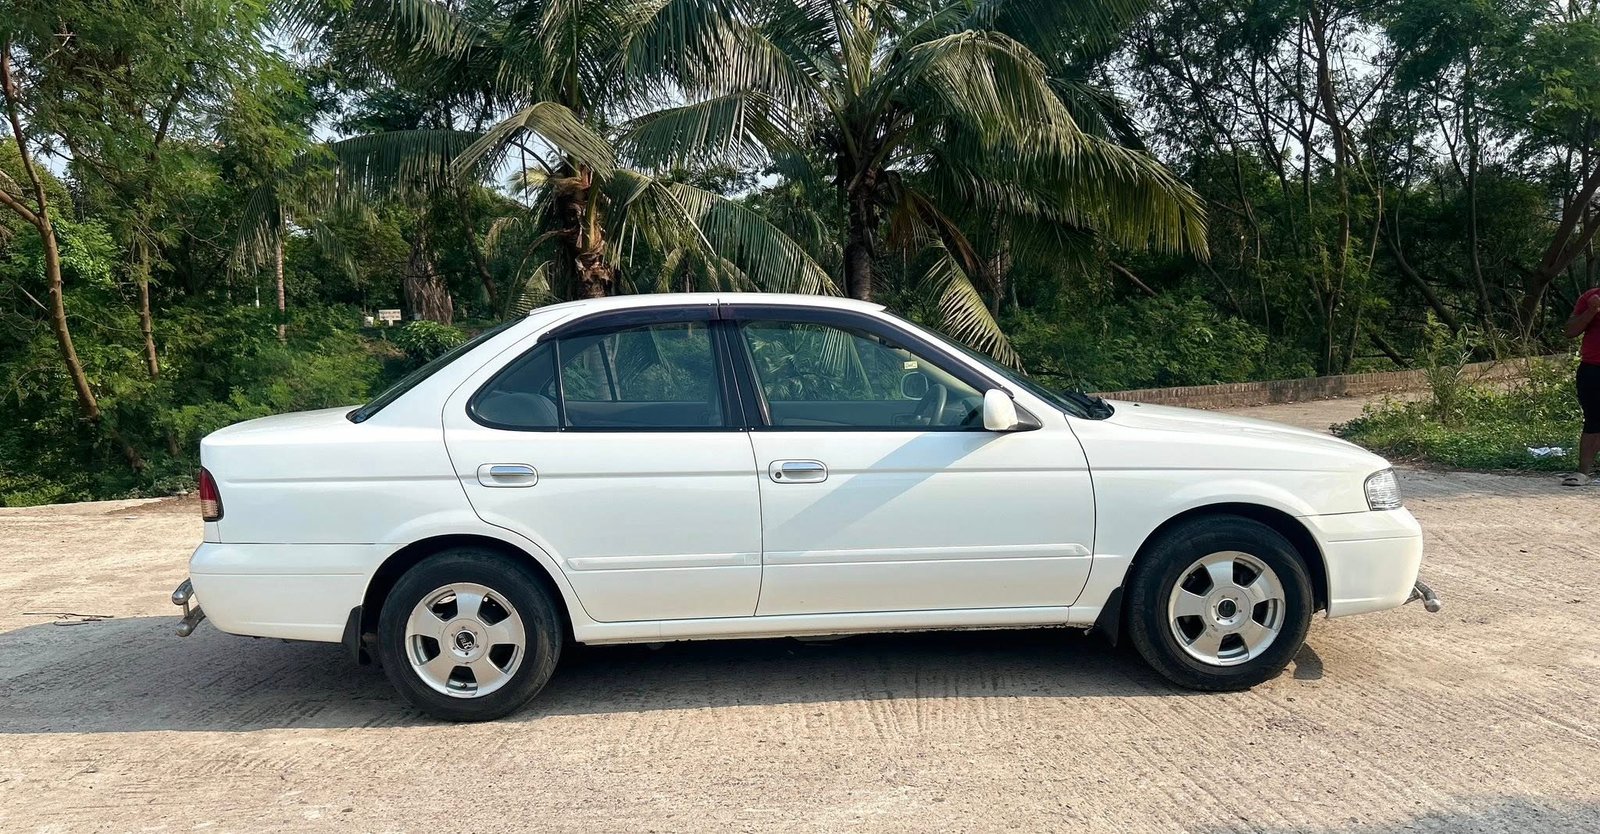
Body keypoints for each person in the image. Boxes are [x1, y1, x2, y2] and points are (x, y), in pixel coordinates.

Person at [1563, 288, 1600, 485]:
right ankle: (1583, 473)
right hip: (1593, 369)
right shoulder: (1590, 297)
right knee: (1594, 420)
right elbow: (1570, 331)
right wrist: (1591, 311)